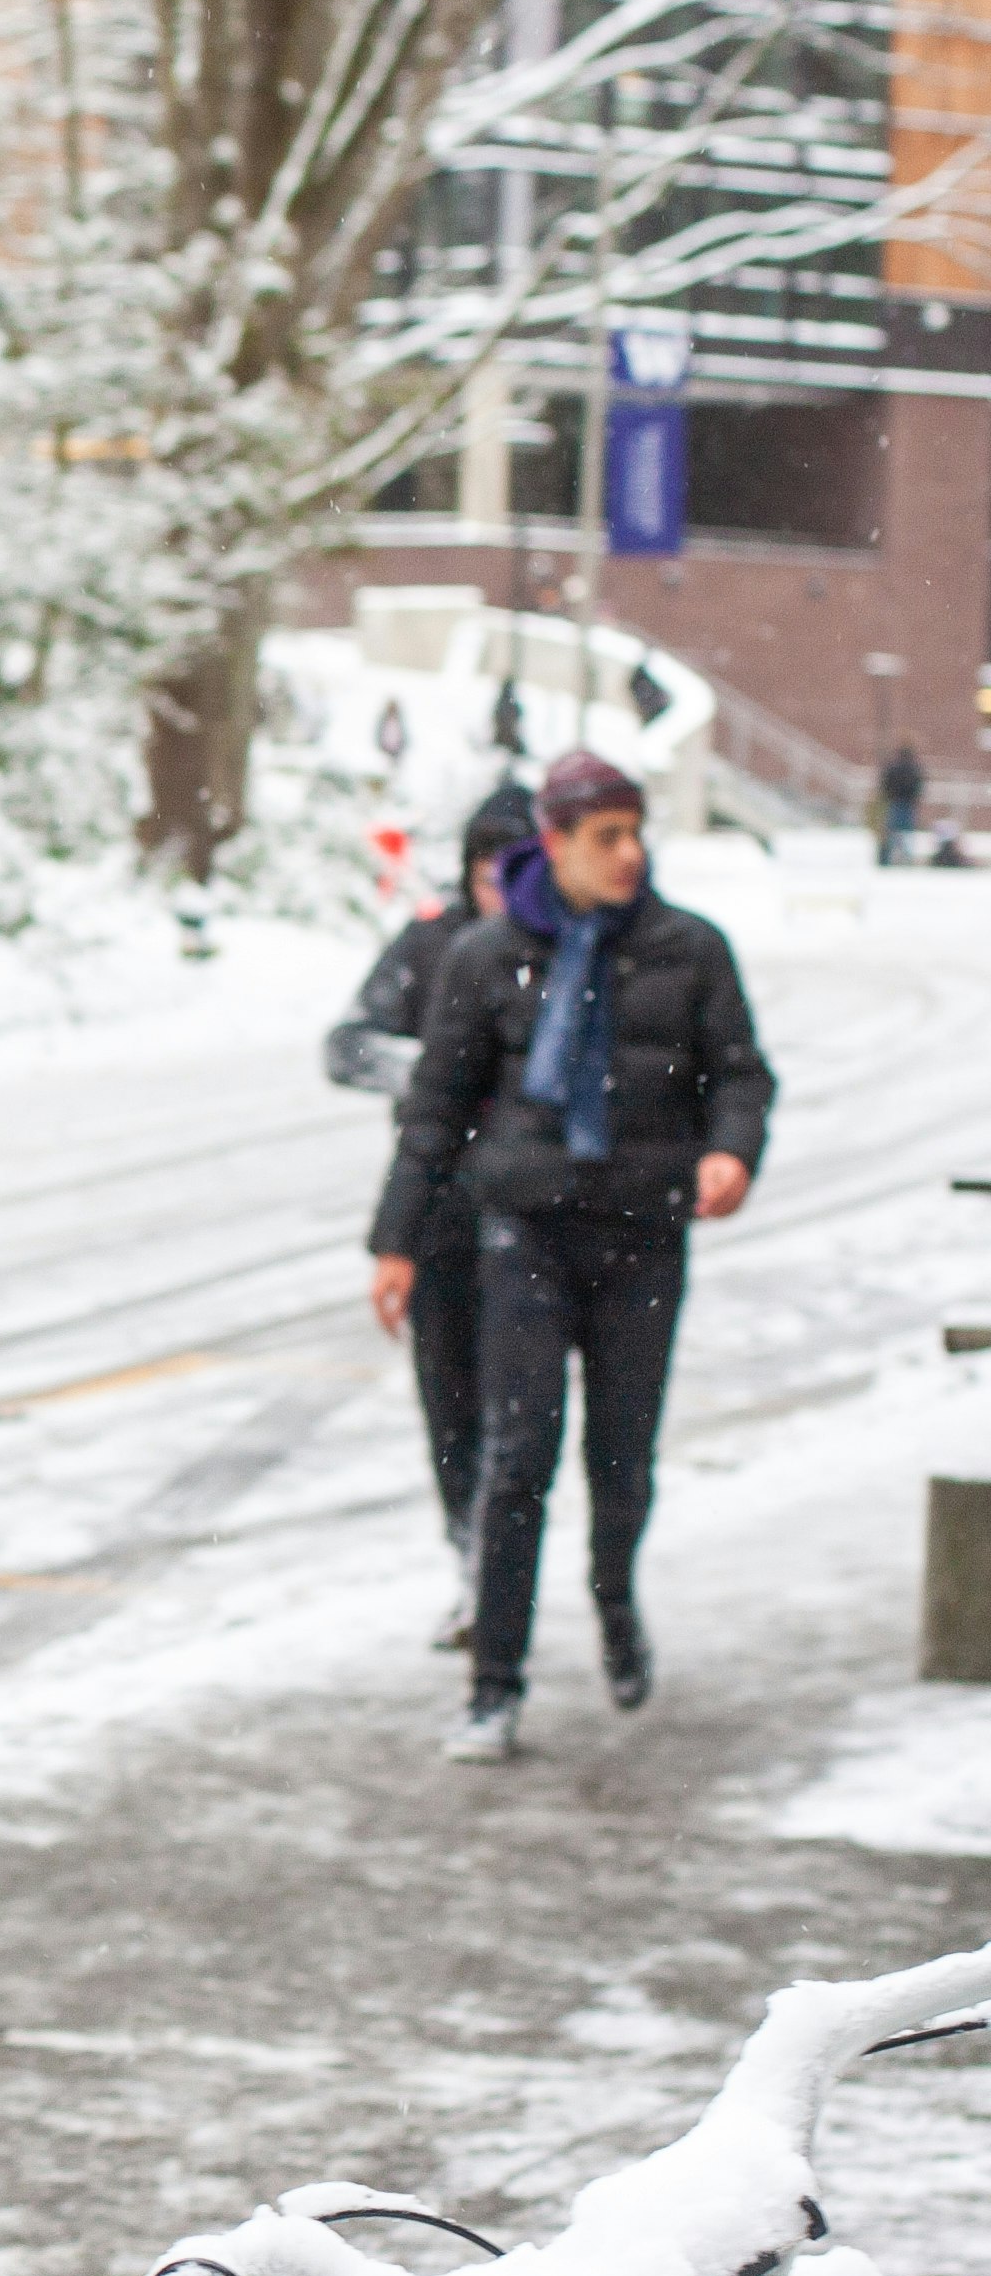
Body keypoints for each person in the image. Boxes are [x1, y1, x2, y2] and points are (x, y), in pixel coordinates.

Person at [365, 749, 774, 1765]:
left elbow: (742, 1074)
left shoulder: (691, 951)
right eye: (609, 837)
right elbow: (436, 1111)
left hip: (643, 1235)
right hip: (527, 1237)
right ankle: (493, 1684)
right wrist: (398, 1241)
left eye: (638, 834)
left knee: (622, 1462)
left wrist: (731, 1147)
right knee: (518, 1462)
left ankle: (615, 1601)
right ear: (556, 845)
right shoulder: (485, 956)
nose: (630, 854)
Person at [327, 782, 535, 1648]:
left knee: (511, 1410)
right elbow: (349, 1043)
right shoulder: (428, 946)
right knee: (448, 1404)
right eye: (486, 871)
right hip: (439, 1208)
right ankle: (470, 1564)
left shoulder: (561, 949)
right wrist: (442, 1073)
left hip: (527, 1217)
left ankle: (499, 1581)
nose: (497, 889)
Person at [880, 739, 925, 865]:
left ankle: (887, 859)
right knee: (907, 833)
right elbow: (919, 785)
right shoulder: (914, 768)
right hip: (909, 804)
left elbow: (885, 783)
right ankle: (907, 859)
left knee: (892, 832)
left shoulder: (893, 766)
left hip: (895, 802)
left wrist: (888, 795)